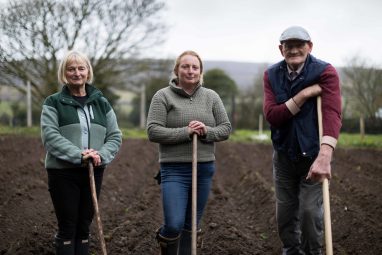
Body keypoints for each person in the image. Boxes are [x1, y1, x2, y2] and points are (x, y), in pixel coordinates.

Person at [263, 26, 342, 254]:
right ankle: (291, 251)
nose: (295, 50)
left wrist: (325, 155)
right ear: (281, 49)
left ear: (310, 46)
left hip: (314, 156)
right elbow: (273, 116)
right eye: (289, 46)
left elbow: (332, 113)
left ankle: (312, 252)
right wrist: (304, 94)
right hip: (284, 155)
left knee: (309, 212)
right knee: (285, 214)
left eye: (300, 45)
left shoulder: (325, 72)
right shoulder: (271, 75)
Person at [147, 50, 232, 255]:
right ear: (177, 70)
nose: (190, 71)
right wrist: (186, 132)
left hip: (203, 168)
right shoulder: (163, 96)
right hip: (174, 169)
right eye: (185, 66)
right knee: (174, 224)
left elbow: (225, 128)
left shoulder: (211, 97)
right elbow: (153, 131)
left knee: (191, 225)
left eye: (195, 67)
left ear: (200, 71)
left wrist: (205, 131)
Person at [40, 50, 122, 255]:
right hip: (63, 173)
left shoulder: (101, 103)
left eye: (81, 68)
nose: (76, 73)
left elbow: (115, 136)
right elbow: (50, 137)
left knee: (84, 226)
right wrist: (80, 154)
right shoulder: (53, 102)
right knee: (68, 227)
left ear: (88, 72)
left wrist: (100, 155)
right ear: (64, 73)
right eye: (71, 69)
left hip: (94, 171)